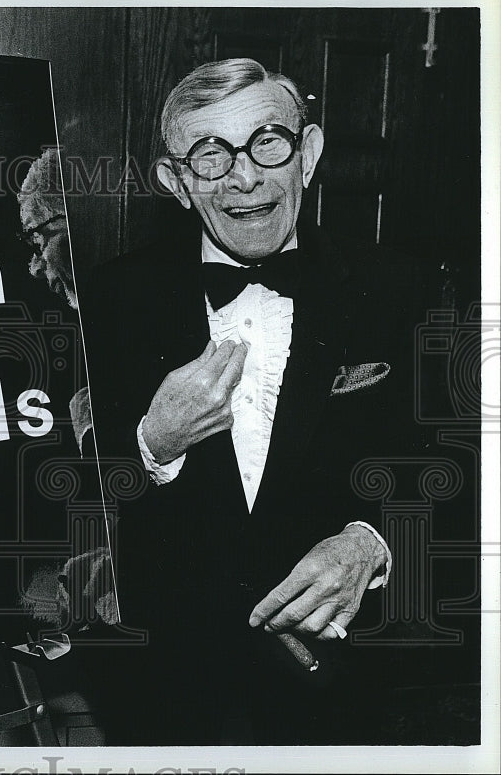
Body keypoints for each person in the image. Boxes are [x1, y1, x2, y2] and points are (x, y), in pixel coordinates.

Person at [81, 58, 437, 744]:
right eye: (210, 156)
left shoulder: (396, 286)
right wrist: (152, 443)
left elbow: (446, 463)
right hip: (162, 686)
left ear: (307, 153)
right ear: (176, 183)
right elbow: (54, 497)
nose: (244, 176)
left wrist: (371, 539)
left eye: (267, 141)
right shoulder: (110, 297)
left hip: (336, 684)